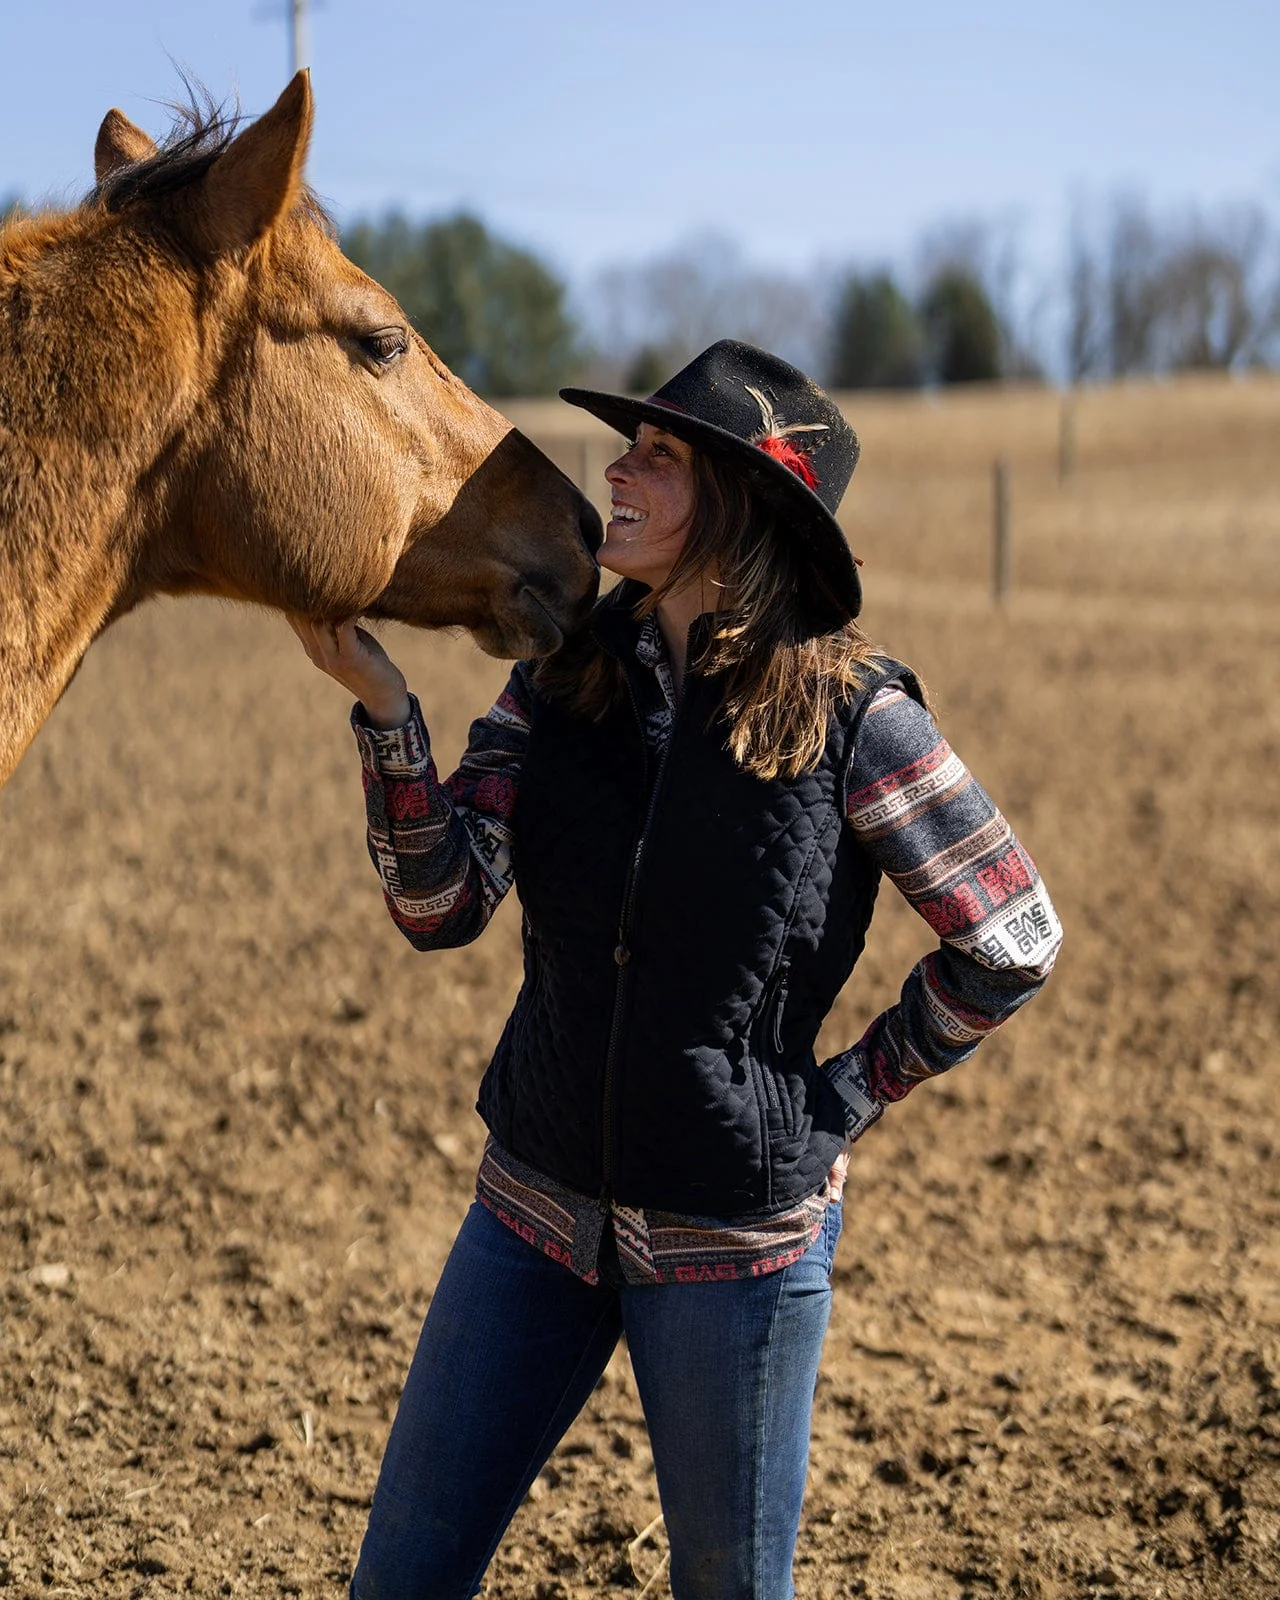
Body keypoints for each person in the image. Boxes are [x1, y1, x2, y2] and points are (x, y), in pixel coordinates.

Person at [290, 341, 1062, 1600]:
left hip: (733, 1248)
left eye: (656, 456)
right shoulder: (558, 675)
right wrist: (385, 712)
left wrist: (843, 1096)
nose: (616, 472)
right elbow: (441, 904)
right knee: (400, 1580)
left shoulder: (853, 713)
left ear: (739, 503)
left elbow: (1011, 933)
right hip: (529, 1214)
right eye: (627, 447)